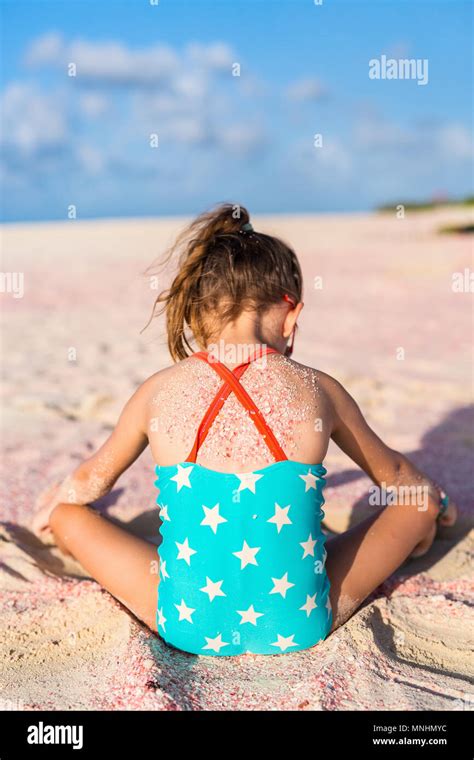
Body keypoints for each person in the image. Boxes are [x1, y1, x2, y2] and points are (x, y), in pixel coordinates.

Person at [32, 203, 456, 656]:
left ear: (195, 311)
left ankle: (60, 524)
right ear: (290, 314)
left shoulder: (157, 392)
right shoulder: (320, 390)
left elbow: (92, 480)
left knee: (69, 518)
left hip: (186, 622)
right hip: (298, 622)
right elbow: (392, 472)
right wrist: (435, 503)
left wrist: (59, 504)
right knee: (418, 504)